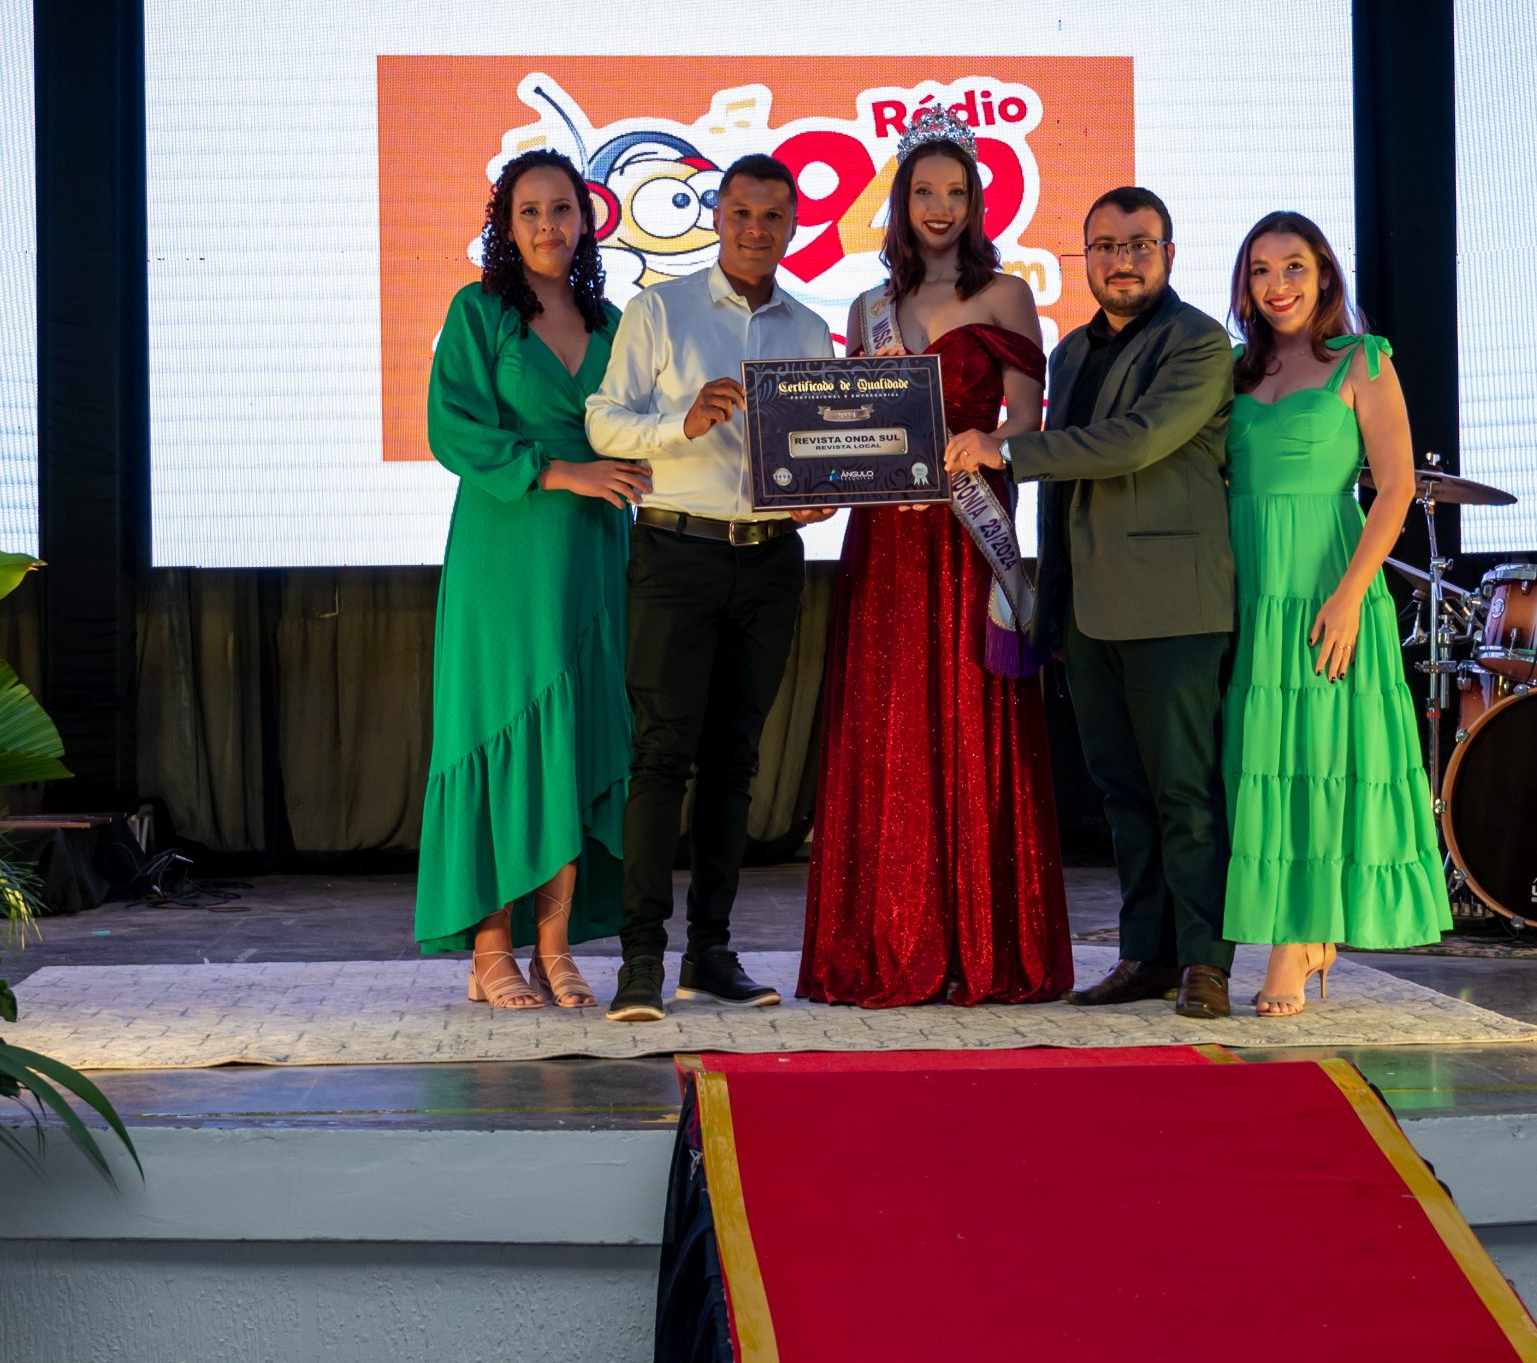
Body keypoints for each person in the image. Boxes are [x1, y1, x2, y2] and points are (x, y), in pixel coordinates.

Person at [799, 107, 1072, 1008]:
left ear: (977, 202)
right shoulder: (867, 309)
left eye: (956, 191)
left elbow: (1027, 421)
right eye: (924, 191)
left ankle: (983, 948)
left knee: (971, 715)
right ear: (901, 201)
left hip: (968, 535)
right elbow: (854, 428)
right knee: (889, 725)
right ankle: (886, 941)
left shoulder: (1007, 296)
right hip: (886, 541)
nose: (940, 207)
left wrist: (985, 444)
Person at [947, 186, 1236, 1020]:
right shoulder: (1071, 350)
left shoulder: (1200, 342)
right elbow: (1063, 495)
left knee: (1185, 794)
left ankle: (1205, 961)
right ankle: (1146, 953)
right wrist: (1050, 601)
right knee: (1122, 795)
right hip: (1085, 608)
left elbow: (1135, 442)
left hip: (1174, 608)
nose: (1122, 261)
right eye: (1105, 246)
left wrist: (1008, 449)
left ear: (1169, 255)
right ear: (1087, 258)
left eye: (1139, 244)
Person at [585, 154, 836, 1022]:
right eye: (741, 213)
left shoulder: (810, 328)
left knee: (735, 761)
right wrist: (680, 424)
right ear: (717, 217)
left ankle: (710, 953)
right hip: (676, 554)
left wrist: (819, 492)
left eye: (773, 215)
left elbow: (817, 444)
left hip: (770, 559)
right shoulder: (661, 309)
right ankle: (640, 961)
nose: (756, 229)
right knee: (662, 755)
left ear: (793, 225)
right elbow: (602, 419)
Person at [415, 150, 647, 1009]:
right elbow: (452, 428)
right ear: (505, 226)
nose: (548, 225)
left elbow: (647, 432)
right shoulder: (478, 312)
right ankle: (490, 948)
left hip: (593, 551)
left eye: (562, 209)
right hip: (506, 549)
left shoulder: (615, 322)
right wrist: (561, 471)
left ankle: (554, 946)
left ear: (586, 219)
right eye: (530, 211)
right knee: (501, 726)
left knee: (574, 736)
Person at [1218, 211, 1451, 1016]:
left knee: (1314, 756)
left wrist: (1351, 595)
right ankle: (1300, 929)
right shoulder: (1234, 372)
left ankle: (1298, 936)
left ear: (1323, 273)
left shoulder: (1362, 359)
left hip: (1326, 581)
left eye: (1293, 267)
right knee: (1263, 758)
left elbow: (1397, 486)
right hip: (1252, 584)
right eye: (1260, 270)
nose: (1277, 285)